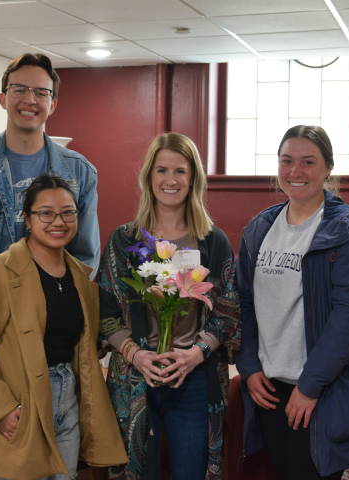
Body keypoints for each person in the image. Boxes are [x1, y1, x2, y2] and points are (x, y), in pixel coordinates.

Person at [0, 53, 100, 479]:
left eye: (41, 92)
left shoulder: (80, 172)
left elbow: (84, 259)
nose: (30, 99)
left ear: (53, 103)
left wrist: (42, 307)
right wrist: (7, 302)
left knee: (54, 460)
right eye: (20, 89)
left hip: (50, 347)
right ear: (2, 97)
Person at [236, 125, 349, 480]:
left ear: (328, 168)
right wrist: (250, 367)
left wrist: (309, 386)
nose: (295, 172)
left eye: (308, 161)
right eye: (287, 161)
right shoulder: (260, 228)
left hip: (322, 388)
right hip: (270, 387)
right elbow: (244, 302)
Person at [0, 174, 126, 480]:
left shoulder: (81, 279)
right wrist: (1, 408)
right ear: (27, 219)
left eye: (67, 212)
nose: (57, 221)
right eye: (45, 213)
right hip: (19, 400)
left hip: (67, 402)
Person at [97, 132, 240, 480]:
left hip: (193, 378)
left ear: (193, 179)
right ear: (149, 177)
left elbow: (228, 311)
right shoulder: (125, 240)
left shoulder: (212, 241)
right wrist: (135, 354)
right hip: (134, 378)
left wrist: (197, 353)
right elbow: (105, 312)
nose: (171, 180)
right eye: (162, 170)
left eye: (180, 171)